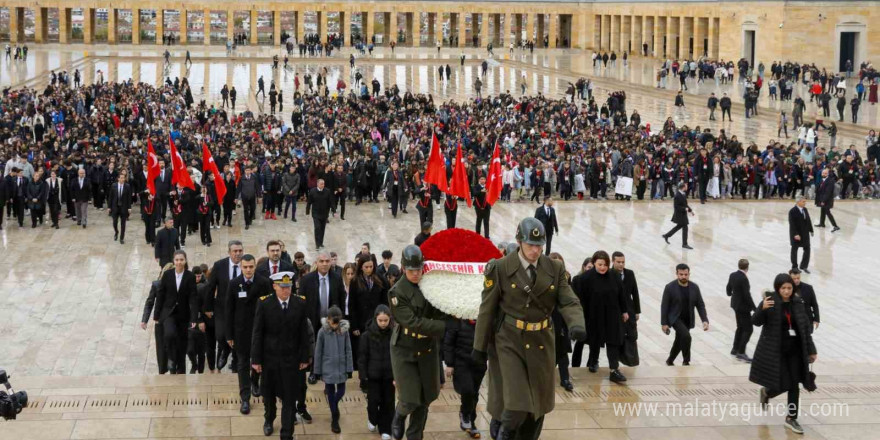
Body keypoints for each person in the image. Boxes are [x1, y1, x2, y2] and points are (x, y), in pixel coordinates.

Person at [473, 218, 586, 440]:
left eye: (539, 245)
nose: (535, 250)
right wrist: (479, 347)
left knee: (537, 407)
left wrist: (577, 324)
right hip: (509, 340)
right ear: (519, 241)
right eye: (530, 245)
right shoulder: (500, 267)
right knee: (517, 401)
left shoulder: (554, 268)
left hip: (541, 341)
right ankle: (503, 433)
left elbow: (569, 300)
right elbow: (487, 309)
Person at [388, 245, 453, 440]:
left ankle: (415, 436)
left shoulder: (430, 285)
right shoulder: (397, 292)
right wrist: (443, 326)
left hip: (427, 348)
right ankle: (399, 415)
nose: (416, 274)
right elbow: (413, 323)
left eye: (419, 269)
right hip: (404, 349)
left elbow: (441, 309)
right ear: (403, 268)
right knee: (409, 398)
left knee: (425, 399)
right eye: (411, 270)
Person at [751, 273, 818, 435]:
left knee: (794, 384)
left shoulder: (797, 302)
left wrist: (811, 349)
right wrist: (762, 309)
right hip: (776, 351)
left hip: (795, 350)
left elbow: (804, 328)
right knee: (782, 383)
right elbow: (756, 321)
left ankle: (791, 418)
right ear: (777, 288)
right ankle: (767, 392)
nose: (787, 291)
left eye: (789, 288)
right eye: (783, 288)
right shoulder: (770, 302)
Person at [251, 271, 312, 439]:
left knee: (289, 397)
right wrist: (255, 360)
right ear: (274, 286)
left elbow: (303, 333)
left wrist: (304, 357)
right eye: (283, 287)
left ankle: (287, 434)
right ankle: (269, 419)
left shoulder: (300, 303)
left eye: (289, 287)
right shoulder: (264, 304)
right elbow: (257, 332)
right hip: (270, 359)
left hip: (290, 359)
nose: (286, 291)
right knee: (269, 395)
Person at [226, 254, 273, 414]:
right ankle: (245, 398)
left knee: (258, 360)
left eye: (251, 267)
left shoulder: (264, 283)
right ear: (241, 267)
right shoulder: (234, 284)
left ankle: (254, 381)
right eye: (245, 267)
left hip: (260, 330)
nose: (248, 270)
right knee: (242, 364)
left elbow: (270, 307)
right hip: (241, 332)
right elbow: (229, 310)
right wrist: (229, 335)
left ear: (255, 266)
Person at [577, 250, 628, 383]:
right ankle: (593, 361)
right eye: (600, 264)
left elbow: (621, 294)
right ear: (594, 263)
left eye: (605, 265)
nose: (603, 267)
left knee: (613, 341)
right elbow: (580, 298)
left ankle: (614, 370)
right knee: (595, 339)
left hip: (612, 314)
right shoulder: (585, 278)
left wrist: (624, 311)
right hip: (594, 315)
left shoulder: (614, 275)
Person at [153, 250, 198, 374]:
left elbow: (193, 298)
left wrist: (194, 318)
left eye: (181, 260)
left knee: (182, 342)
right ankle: (171, 358)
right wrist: (156, 315)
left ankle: (180, 369)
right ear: (174, 260)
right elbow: (160, 295)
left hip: (183, 314)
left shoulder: (190, 276)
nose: (179, 262)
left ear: (185, 260)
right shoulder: (167, 275)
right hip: (169, 313)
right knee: (169, 334)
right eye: (177, 260)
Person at [444, 315, 486, 439]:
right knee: (467, 389)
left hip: (479, 363)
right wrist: (449, 364)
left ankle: (471, 423)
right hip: (462, 363)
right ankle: (464, 414)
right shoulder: (457, 321)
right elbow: (448, 343)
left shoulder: (484, 322)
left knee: (474, 394)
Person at [205, 241, 245, 373]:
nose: (238, 254)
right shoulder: (219, 265)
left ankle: (235, 362)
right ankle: (225, 351)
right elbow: (211, 287)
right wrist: (208, 307)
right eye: (235, 251)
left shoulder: (246, 265)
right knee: (221, 335)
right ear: (229, 252)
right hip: (222, 308)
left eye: (240, 251)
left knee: (239, 336)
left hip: (240, 309)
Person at [313, 306, 354, 434]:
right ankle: (334, 416)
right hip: (328, 367)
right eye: (332, 323)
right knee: (330, 391)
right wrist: (317, 371)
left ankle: (333, 405)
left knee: (341, 391)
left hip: (341, 367)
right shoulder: (322, 332)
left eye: (337, 323)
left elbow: (348, 350)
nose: (335, 326)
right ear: (328, 320)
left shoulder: (345, 331)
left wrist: (349, 368)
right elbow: (318, 352)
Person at [660, 263, 709, 366]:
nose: (683, 276)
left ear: (689, 274)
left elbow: (700, 304)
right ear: (677, 274)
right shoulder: (670, 287)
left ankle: (670, 360)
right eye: (681, 274)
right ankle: (686, 361)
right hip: (675, 318)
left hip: (688, 319)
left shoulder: (694, 287)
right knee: (686, 337)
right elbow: (664, 306)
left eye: (686, 274)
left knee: (680, 339)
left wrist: (704, 320)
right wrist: (664, 323)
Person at [359, 305, 395, 440]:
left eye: (386, 320)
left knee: (388, 403)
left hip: (389, 376)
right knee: (373, 402)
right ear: (376, 319)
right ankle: (372, 419)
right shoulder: (366, 336)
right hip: (373, 376)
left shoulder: (394, 334)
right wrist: (363, 377)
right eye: (381, 320)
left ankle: (386, 429)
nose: (383, 323)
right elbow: (362, 358)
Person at [141, 263, 175, 374]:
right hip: (160, 319)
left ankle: (173, 363)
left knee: (173, 341)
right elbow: (150, 302)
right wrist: (144, 319)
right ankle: (162, 369)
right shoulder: (156, 285)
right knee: (161, 346)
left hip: (174, 318)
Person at [612, 251, 640, 368]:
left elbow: (635, 292)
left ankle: (631, 360)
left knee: (631, 335)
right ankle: (616, 360)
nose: (621, 264)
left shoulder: (629, 273)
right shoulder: (609, 273)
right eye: (618, 262)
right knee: (617, 335)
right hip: (615, 310)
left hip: (629, 309)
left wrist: (637, 310)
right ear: (613, 261)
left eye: (623, 262)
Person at [726, 259, 755, 362]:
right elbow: (747, 295)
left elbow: (728, 287)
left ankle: (735, 349)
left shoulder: (733, 275)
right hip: (743, 307)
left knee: (740, 327)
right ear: (747, 267)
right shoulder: (743, 278)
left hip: (735, 305)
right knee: (748, 329)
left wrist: (730, 294)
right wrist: (754, 308)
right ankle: (741, 352)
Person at [662, 182, 694, 249]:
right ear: (683, 187)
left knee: (679, 226)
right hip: (679, 214)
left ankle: (666, 235)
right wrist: (684, 209)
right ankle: (684, 244)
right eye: (686, 185)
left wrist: (690, 211)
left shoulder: (683, 194)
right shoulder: (677, 196)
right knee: (685, 227)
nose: (687, 186)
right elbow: (676, 207)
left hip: (683, 214)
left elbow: (685, 204)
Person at [788, 197, 814, 273]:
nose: (805, 203)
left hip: (805, 233)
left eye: (805, 201)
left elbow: (808, 220)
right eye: (803, 201)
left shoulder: (805, 209)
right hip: (796, 234)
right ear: (798, 202)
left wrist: (811, 230)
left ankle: (804, 266)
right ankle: (794, 267)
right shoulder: (792, 211)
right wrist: (795, 234)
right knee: (794, 249)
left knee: (807, 249)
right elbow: (792, 224)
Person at [306, 178, 332, 250]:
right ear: (317, 184)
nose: (322, 185)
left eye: (323, 184)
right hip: (316, 213)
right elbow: (309, 202)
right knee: (317, 228)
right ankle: (317, 244)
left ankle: (321, 243)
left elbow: (330, 201)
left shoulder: (327, 191)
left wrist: (333, 210)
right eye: (321, 184)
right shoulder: (312, 191)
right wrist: (307, 212)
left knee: (322, 229)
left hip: (324, 213)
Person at [108, 173, 132, 244]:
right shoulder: (114, 186)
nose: (122, 179)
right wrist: (109, 207)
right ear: (118, 179)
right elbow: (110, 197)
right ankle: (116, 232)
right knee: (114, 222)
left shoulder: (127, 186)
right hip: (115, 207)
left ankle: (122, 237)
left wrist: (129, 207)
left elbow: (129, 197)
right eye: (121, 178)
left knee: (123, 224)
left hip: (123, 208)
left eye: (123, 178)